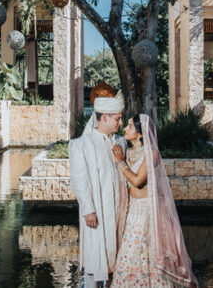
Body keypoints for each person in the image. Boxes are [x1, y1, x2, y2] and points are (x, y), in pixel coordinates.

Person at [110, 115, 198, 287]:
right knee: (130, 254)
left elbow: (137, 180)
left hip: (148, 212)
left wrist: (120, 163)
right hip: (133, 211)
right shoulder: (129, 153)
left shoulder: (152, 154)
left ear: (140, 134)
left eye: (129, 126)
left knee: (147, 253)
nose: (125, 129)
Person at [69, 91, 128, 288]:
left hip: (119, 210)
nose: (120, 123)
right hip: (97, 212)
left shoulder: (120, 142)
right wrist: (88, 210)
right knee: (95, 258)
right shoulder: (80, 145)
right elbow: (79, 180)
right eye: (117, 119)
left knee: (116, 258)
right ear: (104, 117)